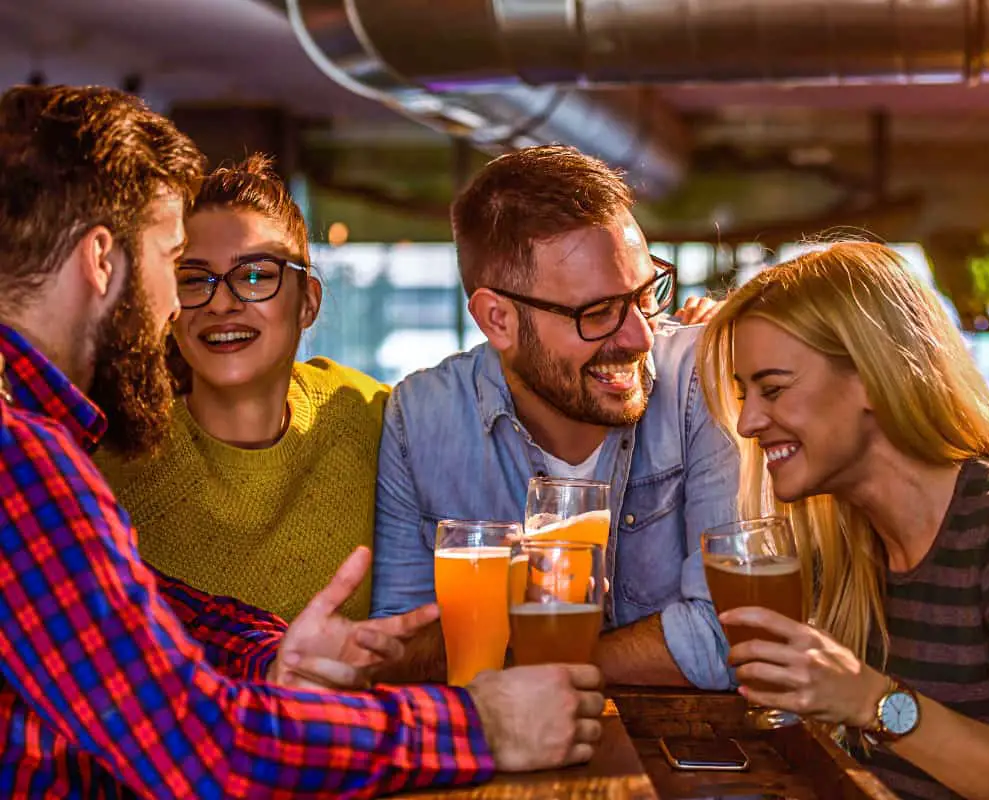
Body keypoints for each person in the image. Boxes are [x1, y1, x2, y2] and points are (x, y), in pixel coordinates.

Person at [0, 83, 604, 798]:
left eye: (253, 276)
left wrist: (269, 657)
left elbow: (139, 617)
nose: (180, 305)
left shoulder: (35, 448)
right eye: (174, 263)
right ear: (103, 261)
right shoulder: (24, 459)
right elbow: (204, 751)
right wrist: (479, 726)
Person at [696, 241, 989, 799]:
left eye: (773, 389)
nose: (749, 421)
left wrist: (872, 701)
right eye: (743, 393)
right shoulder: (846, 545)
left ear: (873, 377)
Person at [371, 145, 739, 690]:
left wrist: (533, 661)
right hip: (499, 758)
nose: (640, 335)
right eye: (597, 313)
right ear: (498, 320)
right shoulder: (421, 419)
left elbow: (727, 635)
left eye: (646, 295)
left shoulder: (703, 378)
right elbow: (401, 652)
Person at [95, 155, 385, 621]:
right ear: (170, 306)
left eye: (255, 276)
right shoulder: (112, 468)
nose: (222, 302)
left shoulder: (372, 415)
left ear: (308, 303)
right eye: (194, 280)